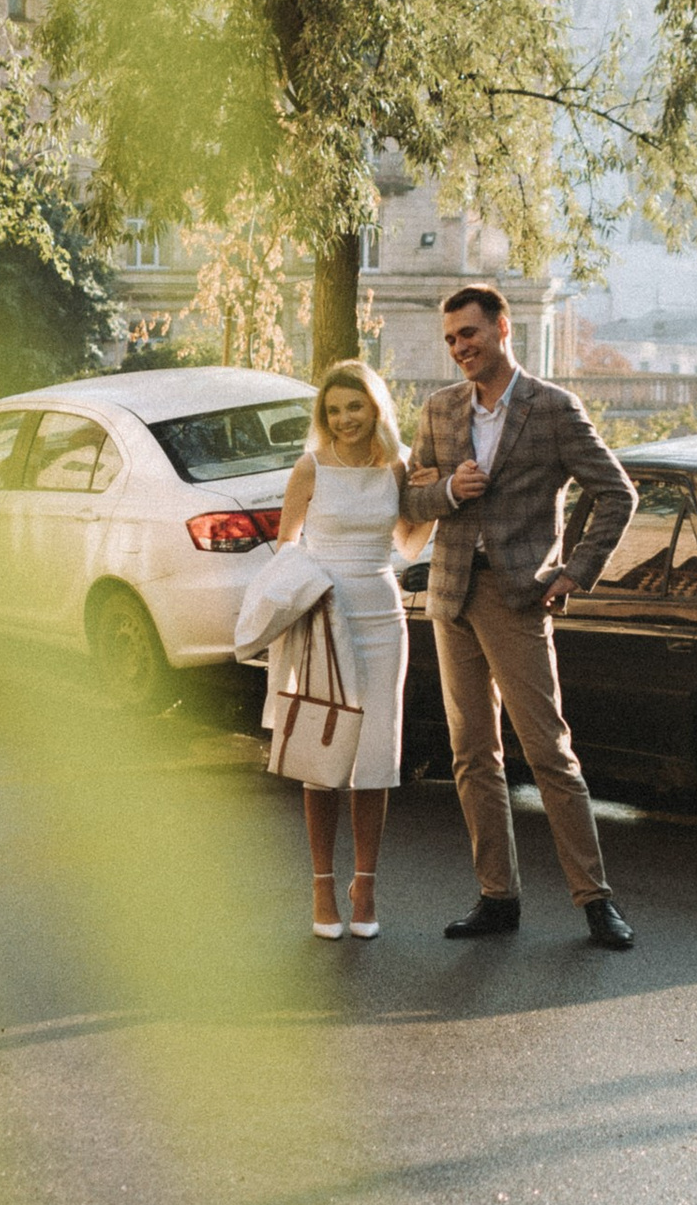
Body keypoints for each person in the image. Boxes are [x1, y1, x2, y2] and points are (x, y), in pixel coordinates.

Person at [404, 283, 638, 949]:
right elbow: (412, 500)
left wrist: (574, 572)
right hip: (451, 595)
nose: (460, 348)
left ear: (502, 328)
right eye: (451, 339)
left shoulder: (554, 408)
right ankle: (496, 897)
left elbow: (617, 494)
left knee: (548, 753)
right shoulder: (440, 409)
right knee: (472, 755)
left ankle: (595, 900)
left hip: (518, 600)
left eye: (469, 334)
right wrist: (450, 490)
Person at [269, 358, 411, 941]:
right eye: (333, 410)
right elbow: (286, 546)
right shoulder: (310, 467)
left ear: (375, 407)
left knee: (375, 756)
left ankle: (366, 885)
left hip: (382, 617)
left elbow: (409, 543)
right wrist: (314, 591)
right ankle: (323, 885)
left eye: (355, 406)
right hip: (325, 619)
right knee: (322, 751)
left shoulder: (397, 467)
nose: (345, 418)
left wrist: (440, 498)